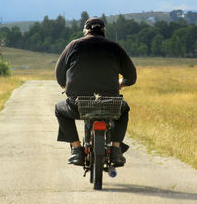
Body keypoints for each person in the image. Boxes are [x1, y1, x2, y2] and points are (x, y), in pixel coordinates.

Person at [54, 17, 137, 166]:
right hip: (110, 104)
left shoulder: (74, 45)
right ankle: (116, 149)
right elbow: (131, 77)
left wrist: (66, 86)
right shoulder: (115, 47)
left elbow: (59, 75)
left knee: (59, 110)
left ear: (85, 31)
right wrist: (120, 84)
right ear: (104, 31)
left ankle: (77, 149)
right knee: (124, 110)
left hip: (77, 105)